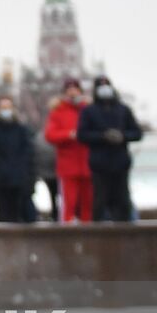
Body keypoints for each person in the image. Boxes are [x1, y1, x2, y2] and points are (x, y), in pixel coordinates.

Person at [76, 76, 142, 222]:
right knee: (100, 200)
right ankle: (99, 235)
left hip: (120, 162)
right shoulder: (89, 111)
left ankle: (125, 231)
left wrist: (122, 136)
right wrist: (102, 136)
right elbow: (82, 135)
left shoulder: (123, 110)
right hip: (99, 164)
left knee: (123, 199)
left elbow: (137, 133)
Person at [44, 79, 92, 223]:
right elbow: (50, 135)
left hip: (88, 163)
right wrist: (68, 135)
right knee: (68, 204)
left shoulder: (89, 110)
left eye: (75, 89)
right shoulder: (58, 111)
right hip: (68, 165)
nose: (72, 92)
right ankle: (67, 231)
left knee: (88, 204)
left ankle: (88, 232)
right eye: (69, 89)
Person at [0, 97, 35, 223]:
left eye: (8, 107)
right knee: (3, 213)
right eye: (3, 108)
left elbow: (27, 153)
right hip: (0, 180)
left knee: (18, 213)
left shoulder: (21, 129)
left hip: (18, 179)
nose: (5, 110)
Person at [33, 133, 59, 222]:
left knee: (54, 195)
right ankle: (55, 214)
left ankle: (55, 214)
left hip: (49, 172)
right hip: (52, 172)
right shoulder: (42, 138)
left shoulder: (40, 138)